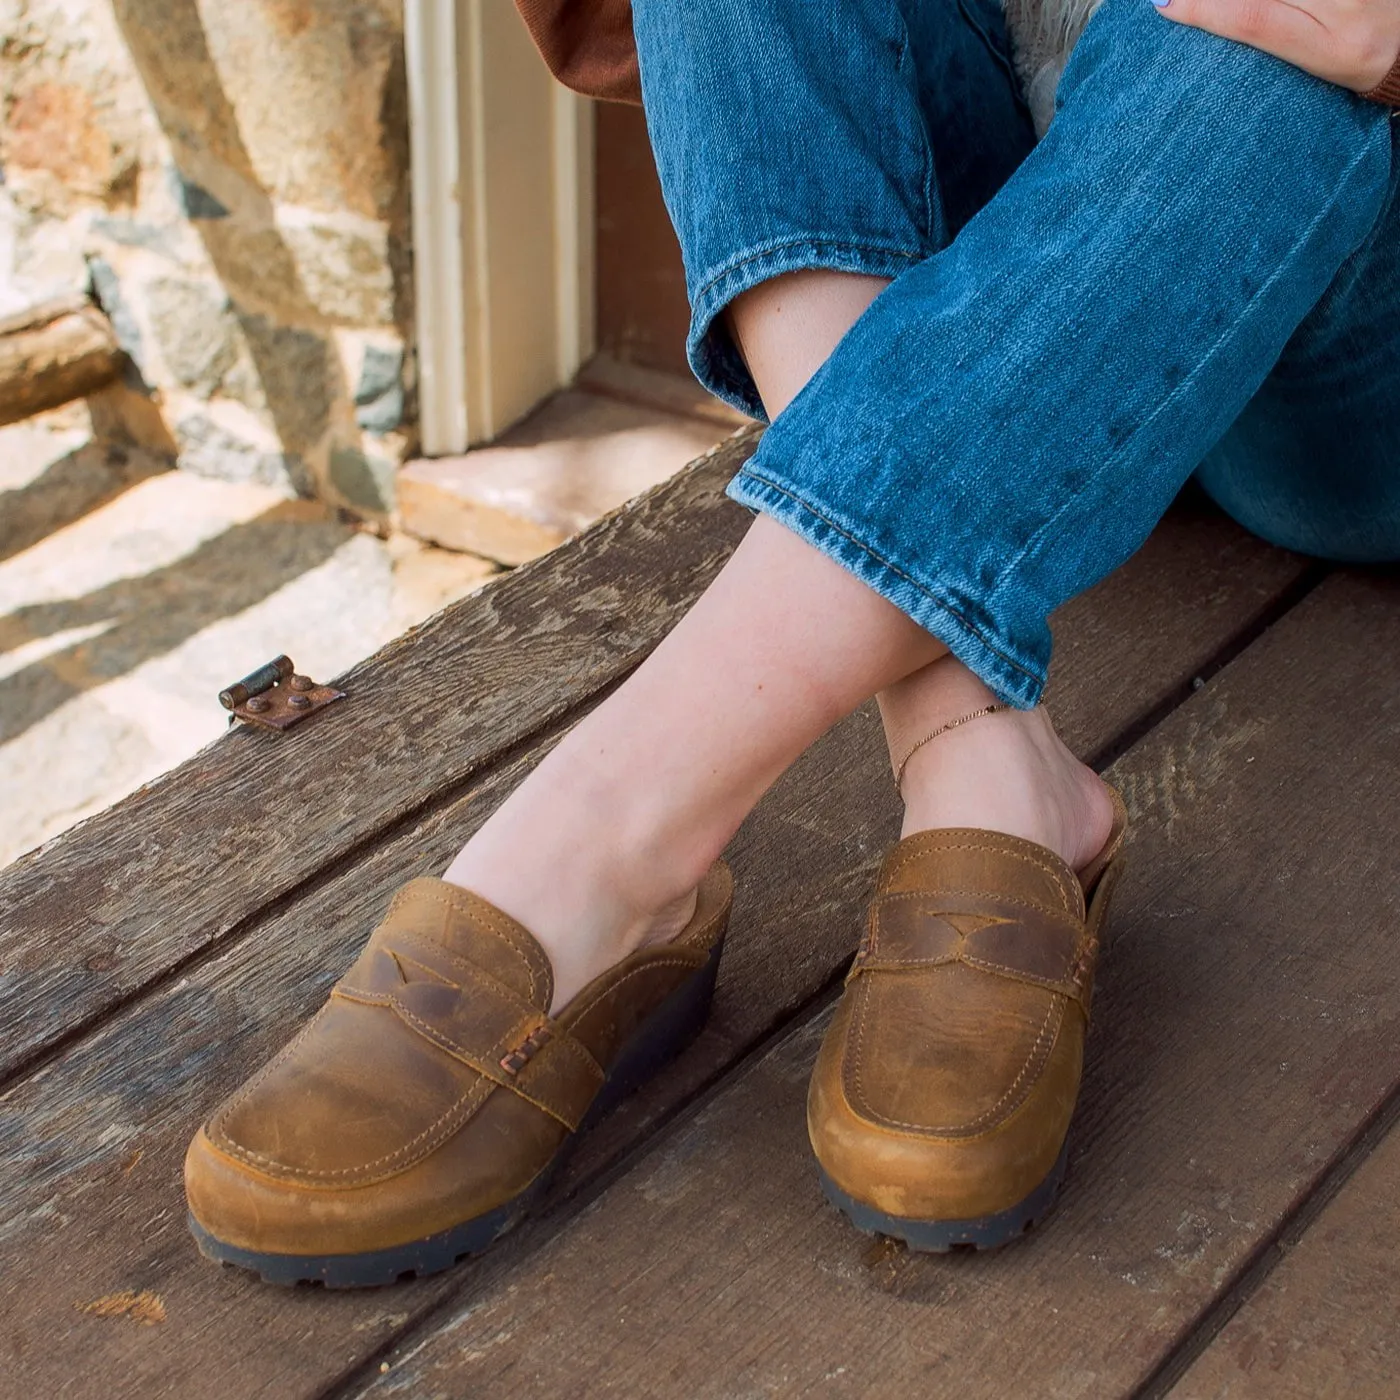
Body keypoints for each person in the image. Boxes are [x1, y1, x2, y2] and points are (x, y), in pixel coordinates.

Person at [182, 0, 1400, 1285]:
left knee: (1265, 27)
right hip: (1036, 280)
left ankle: (606, 829)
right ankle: (974, 754)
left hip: (1332, 334)